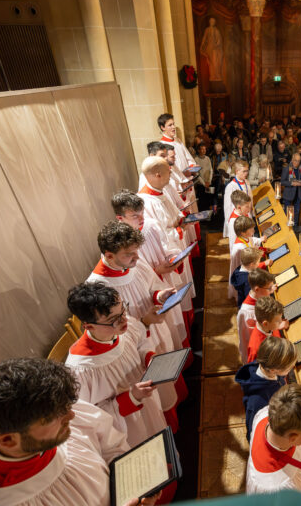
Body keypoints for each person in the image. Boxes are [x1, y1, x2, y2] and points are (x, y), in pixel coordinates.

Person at [0, 358, 157, 506]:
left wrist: (135, 485)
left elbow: (110, 445)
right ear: (8, 440)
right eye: (56, 416)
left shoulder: (56, 413)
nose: (71, 415)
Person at [86, 221, 184, 431]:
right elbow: (112, 329)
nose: (137, 258)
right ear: (109, 255)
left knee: (166, 381)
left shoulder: (133, 262)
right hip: (134, 346)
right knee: (154, 405)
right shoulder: (96, 287)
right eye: (129, 254)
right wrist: (143, 323)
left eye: (136, 252)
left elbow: (151, 285)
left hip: (153, 329)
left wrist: (160, 295)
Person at [65, 283, 168, 449]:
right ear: (89, 326)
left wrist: (148, 357)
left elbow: (140, 343)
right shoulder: (80, 370)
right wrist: (131, 398)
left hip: (146, 401)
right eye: (113, 319)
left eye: (123, 310)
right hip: (127, 425)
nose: (124, 320)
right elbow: (89, 419)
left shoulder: (123, 328)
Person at [112, 190, 192, 342]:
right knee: (161, 333)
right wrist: (156, 271)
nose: (142, 218)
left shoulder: (151, 225)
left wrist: (173, 257)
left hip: (164, 281)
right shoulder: (118, 245)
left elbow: (167, 246)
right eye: (135, 216)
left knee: (173, 323)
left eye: (142, 212)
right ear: (120, 218)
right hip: (145, 296)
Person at [235, 337, 297, 441]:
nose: (293, 367)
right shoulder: (257, 402)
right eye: (289, 367)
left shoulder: (266, 365)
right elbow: (253, 432)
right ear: (273, 370)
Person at [237, 268, 276, 363]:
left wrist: (269, 290)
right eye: (269, 288)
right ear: (257, 289)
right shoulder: (247, 314)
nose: (271, 290)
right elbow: (256, 338)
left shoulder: (258, 294)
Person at [229, 216, 265, 300]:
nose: (254, 231)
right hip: (243, 275)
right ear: (243, 232)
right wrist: (264, 263)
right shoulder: (240, 248)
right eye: (251, 229)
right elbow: (247, 266)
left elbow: (251, 240)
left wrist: (261, 243)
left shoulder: (244, 238)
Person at [246, 296, 289, 363]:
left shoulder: (269, 326)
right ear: (265, 323)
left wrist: (278, 326)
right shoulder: (256, 349)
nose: (281, 322)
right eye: (278, 321)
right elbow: (253, 368)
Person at [222, 160, 252, 238]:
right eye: (244, 171)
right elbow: (227, 207)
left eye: (247, 171)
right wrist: (229, 224)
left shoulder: (247, 182)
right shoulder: (231, 186)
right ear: (237, 171)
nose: (246, 173)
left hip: (247, 216)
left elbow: (250, 199)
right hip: (237, 220)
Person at [281, 153, 301, 228]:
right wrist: (292, 183)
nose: (297, 162)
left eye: (298, 161)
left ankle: (294, 228)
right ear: (292, 159)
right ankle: (286, 228)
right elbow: (282, 182)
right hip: (289, 194)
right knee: (287, 212)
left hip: (298, 193)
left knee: (296, 212)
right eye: (295, 160)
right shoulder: (286, 168)